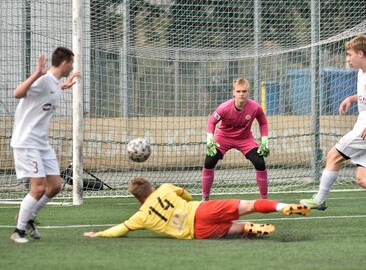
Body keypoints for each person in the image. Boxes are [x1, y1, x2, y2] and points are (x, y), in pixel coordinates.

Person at [299, 35, 366, 235]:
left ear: (360, 53)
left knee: (333, 156)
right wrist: (352, 98)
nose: (347, 59)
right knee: (363, 178)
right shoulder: (361, 72)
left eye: (349, 55)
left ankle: (319, 200)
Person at [83, 177, 310, 240]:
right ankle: (282, 206)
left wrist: (100, 233)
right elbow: (184, 194)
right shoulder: (165, 189)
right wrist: (193, 202)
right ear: (150, 187)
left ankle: (249, 228)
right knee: (249, 205)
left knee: (237, 228)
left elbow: (121, 229)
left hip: (196, 233)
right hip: (200, 210)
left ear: (139, 200)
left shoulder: (141, 216)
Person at [10, 47, 80, 243]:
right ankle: (18, 231)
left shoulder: (55, 83)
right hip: (26, 141)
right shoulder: (42, 79)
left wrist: (63, 86)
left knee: (55, 186)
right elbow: (17, 93)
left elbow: (50, 90)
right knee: (39, 188)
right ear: (65, 63)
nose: (72, 67)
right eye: (71, 64)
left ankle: (29, 218)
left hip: (42, 143)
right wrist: (36, 74)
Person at [202, 77, 270, 201]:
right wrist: (210, 139)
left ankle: (264, 200)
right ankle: (205, 198)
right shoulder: (224, 107)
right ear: (233, 92)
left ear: (248, 93)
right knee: (209, 161)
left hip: (245, 139)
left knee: (260, 163)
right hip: (223, 137)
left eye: (244, 91)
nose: (241, 94)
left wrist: (264, 140)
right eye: (238, 91)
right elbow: (211, 122)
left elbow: (263, 122)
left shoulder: (255, 107)